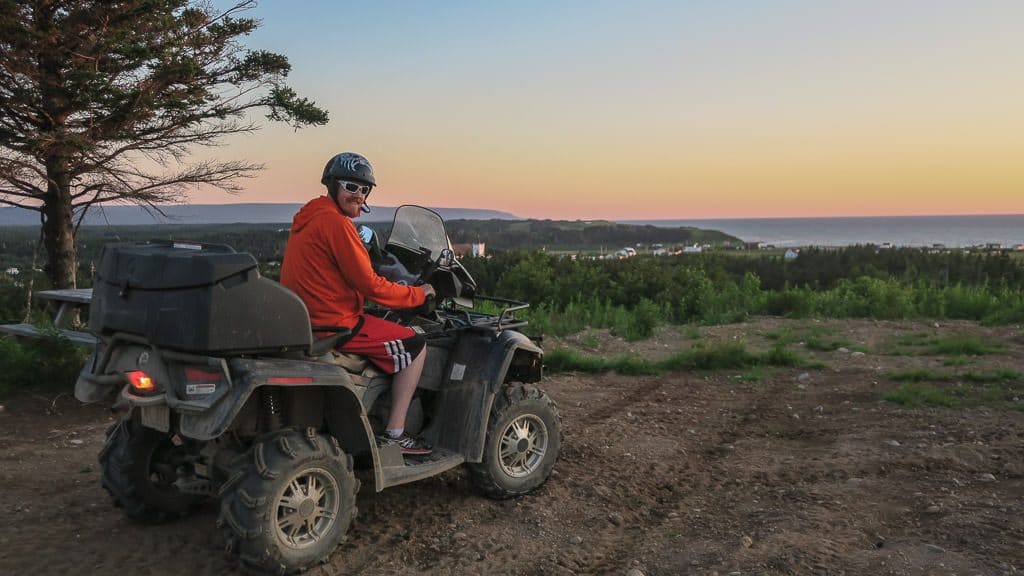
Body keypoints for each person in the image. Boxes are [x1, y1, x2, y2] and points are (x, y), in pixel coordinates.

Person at [280, 152, 435, 456]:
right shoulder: (336, 224)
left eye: (364, 189)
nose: (358, 195)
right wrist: (418, 294)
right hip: (334, 322)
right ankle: (395, 433)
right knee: (416, 344)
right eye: (352, 186)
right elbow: (370, 285)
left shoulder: (309, 217)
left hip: (304, 319)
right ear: (333, 185)